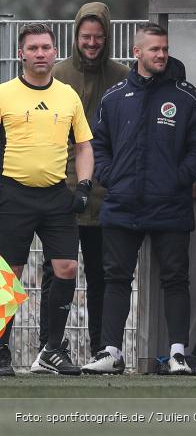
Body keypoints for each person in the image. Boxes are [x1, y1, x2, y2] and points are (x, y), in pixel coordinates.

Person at [82, 22, 196, 375]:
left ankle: (177, 354)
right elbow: (98, 145)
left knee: (175, 279)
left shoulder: (188, 96)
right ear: (137, 52)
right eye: (154, 49)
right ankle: (111, 352)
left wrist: (177, 178)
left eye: (165, 49)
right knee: (115, 279)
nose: (161, 55)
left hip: (169, 203)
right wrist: (111, 178)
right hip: (122, 204)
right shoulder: (114, 97)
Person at [32, 3, 128, 373]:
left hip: (105, 193)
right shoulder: (58, 74)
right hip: (61, 191)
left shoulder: (121, 77)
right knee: (56, 273)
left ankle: (103, 351)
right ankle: (49, 348)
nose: (92, 42)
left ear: (107, 37)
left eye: (98, 37)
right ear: (75, 37)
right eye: (85, 37)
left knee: (102, 275)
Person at [0, 23, 94, 376]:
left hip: (56, 195)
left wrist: (83, 185)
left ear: (56, 52)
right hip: (13, 194)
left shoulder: (68, 96)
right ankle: (1, 350)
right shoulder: (4, 93)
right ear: (21, 53)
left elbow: (84, 145)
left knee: (67, 268)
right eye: (33, 48)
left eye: (46, 47)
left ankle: (52, 350)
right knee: (10, 275)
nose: (40, 54)